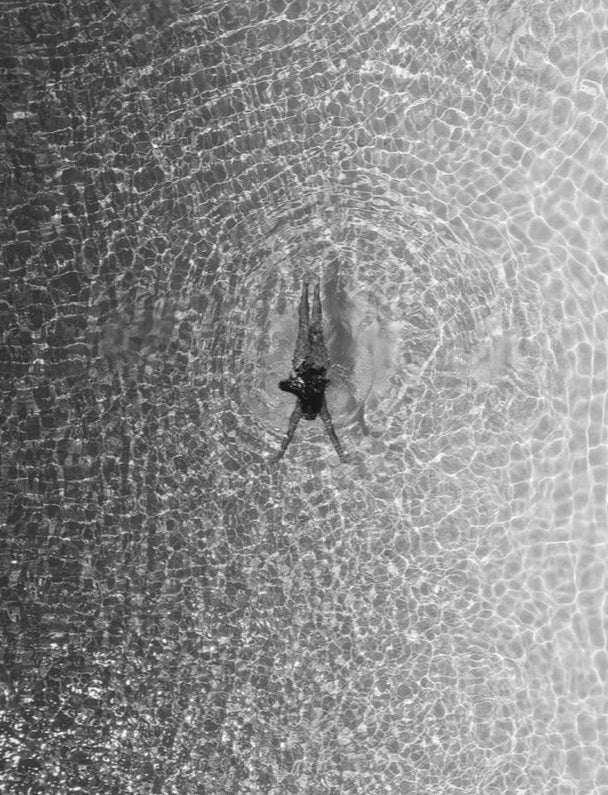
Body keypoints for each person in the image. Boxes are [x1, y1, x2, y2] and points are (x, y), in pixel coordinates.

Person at [276, 279, 346, 462]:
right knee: (304, 326)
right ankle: (306, 287)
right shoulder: (301, 407)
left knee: (315, 326)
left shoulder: (320, 406)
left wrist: (341, 455)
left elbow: (331, 432)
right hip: (301, 364)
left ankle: (314, 290)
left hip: (320, 364)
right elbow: (289, 433)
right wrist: (279, 454)